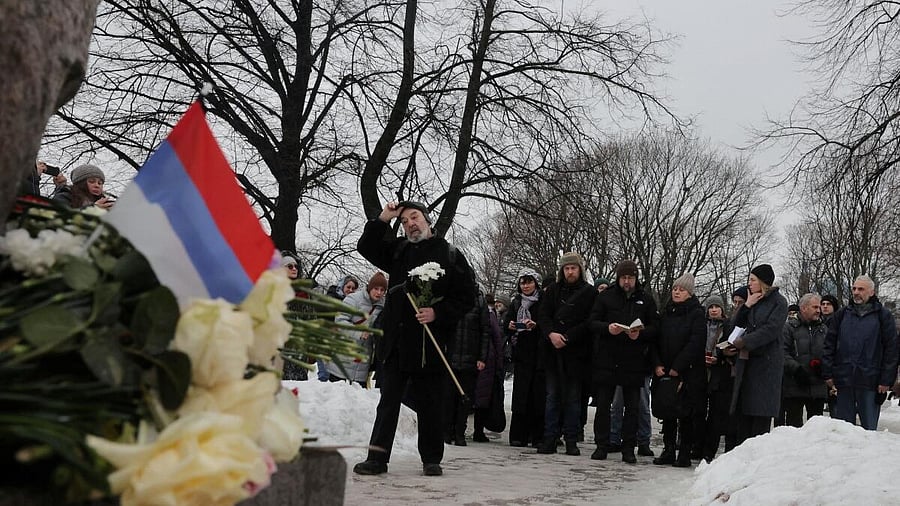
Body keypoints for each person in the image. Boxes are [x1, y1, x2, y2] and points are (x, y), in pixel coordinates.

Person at [352, 201, 476, 477]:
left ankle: (432, 458)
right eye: (405, 220)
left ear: (427, 220)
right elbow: (366, 247)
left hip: (431, 342)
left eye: (414, 217)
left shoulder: (450, 254)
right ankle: (377, 458)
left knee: (431, 403)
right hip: (397, 341)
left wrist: (438, 313)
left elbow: (467, 296)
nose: (410, 224)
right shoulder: (398, 250)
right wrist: (384, 217)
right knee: (388, 402)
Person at [589, 259, 658, 464]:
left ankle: (629, 448)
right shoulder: (606, 297)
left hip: (633, 360)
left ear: (636, 279)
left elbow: (655, 327)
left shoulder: (645, 299)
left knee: (633, 407)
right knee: (603, 406)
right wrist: (607, 328)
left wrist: (641, 334)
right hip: (607, 358)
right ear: (618, 278)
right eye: (624, 277)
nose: (627, 281)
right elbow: (592, 322)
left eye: (631, 278)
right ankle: (602, 444)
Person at [536, 252, 596, 456]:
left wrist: (568, 337)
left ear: (580, 269)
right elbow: (543, 315)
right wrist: (551, 334)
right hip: (552, 351)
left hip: (576, 353)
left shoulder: (589, 293)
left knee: (573, 399)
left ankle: (571, 439)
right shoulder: (552, 290)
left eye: (573, 268)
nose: (570, 271)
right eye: (567, 268)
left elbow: (590, 321)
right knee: (552, 397)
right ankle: (550, 438)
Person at [822, 275, 898, 430]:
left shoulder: (883, 316)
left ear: (871, 292)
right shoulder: (842, 315)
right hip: (844, 379)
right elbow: (829, 345)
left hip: (870, 380)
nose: (856, 292)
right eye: (854, 288)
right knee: (843, 431)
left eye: (860, 289)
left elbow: (892, 349)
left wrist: (886, 379)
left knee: (869, 431)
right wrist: (828, 373)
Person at [650, 273, 705, 468]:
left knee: (686, 413)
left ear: (689, 293)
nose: (677, 292)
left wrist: (677, 367)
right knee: (667, 411)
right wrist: (657, 364)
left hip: (687, 372)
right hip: (664, 372)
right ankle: (668, 449)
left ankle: (684, 452)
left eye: (681, 290)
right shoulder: (666, 313)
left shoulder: (697, 313)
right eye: (675, 289)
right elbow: (655, 340)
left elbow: (696, 342)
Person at [729, 264, 788, 443]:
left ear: (763, 282)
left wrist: (746, 342)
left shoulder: (779, 302)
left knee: (760, 413)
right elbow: (735, 324)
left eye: (752, 280)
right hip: (747, 362)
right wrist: (746, 305)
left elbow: (771, 329)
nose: (749, 284)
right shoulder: (753, 300)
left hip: (766, 363)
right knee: (744, 413)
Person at [504, 268, 546, 448]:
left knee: (537, 396)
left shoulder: (543, 302)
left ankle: (537, 436)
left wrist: (535, 325)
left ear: (536, 283)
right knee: (520, 396)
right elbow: (506, 324)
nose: (526, 286)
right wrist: (511, 326)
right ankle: (518, 435)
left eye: (529, 282)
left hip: (538, 353)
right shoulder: (516, 303)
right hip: (521, 353)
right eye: (523, 282)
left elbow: (547, 323)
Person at [444, 288, 491, 446]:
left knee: (465, 398)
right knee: (449, 397)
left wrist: (482, 357)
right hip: (450, 357)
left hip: (471, 358)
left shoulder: (479, 300)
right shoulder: (451, 296)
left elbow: (485, 330)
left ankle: (459, 432)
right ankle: (447, 431)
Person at [327, 272, 388, 387]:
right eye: (376, 288)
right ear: (370, 287)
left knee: (357, 399)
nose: (379, 293)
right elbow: (340, 322)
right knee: (335, 398)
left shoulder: (384, 305)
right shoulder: (353, 299)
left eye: (382, 290)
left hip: (363, 359)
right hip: (343, 355)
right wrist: (358, 333)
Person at [700, 295, 738, 462]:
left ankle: (712, 451)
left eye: (716, 306)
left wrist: (720, 357)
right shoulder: (702, 325)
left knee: (717, 414)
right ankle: (701, 449)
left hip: (720, 375)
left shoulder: (729, 326)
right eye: (711, 307)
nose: (713, 310)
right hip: (702, 371)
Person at [782, 293, 828, 427]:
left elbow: (830, 352)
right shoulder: (788, 328)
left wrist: (824, 366)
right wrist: (796, 369)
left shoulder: (823, 329)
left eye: (819, 307)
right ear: (803, 308)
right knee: (794, 427)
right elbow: (782, 353)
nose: (819, 310)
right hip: (795, 385)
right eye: (815, 307)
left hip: (817, 386)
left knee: (816, 429)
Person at [473, 289, 506, 443]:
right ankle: (478, 431)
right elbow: (497, 339)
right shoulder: (490, 315)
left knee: (477, 395)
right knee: (482, 397)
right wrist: (499, 364)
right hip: (487, 360)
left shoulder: (473, 311)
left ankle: (459, 429)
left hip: (478, 358)